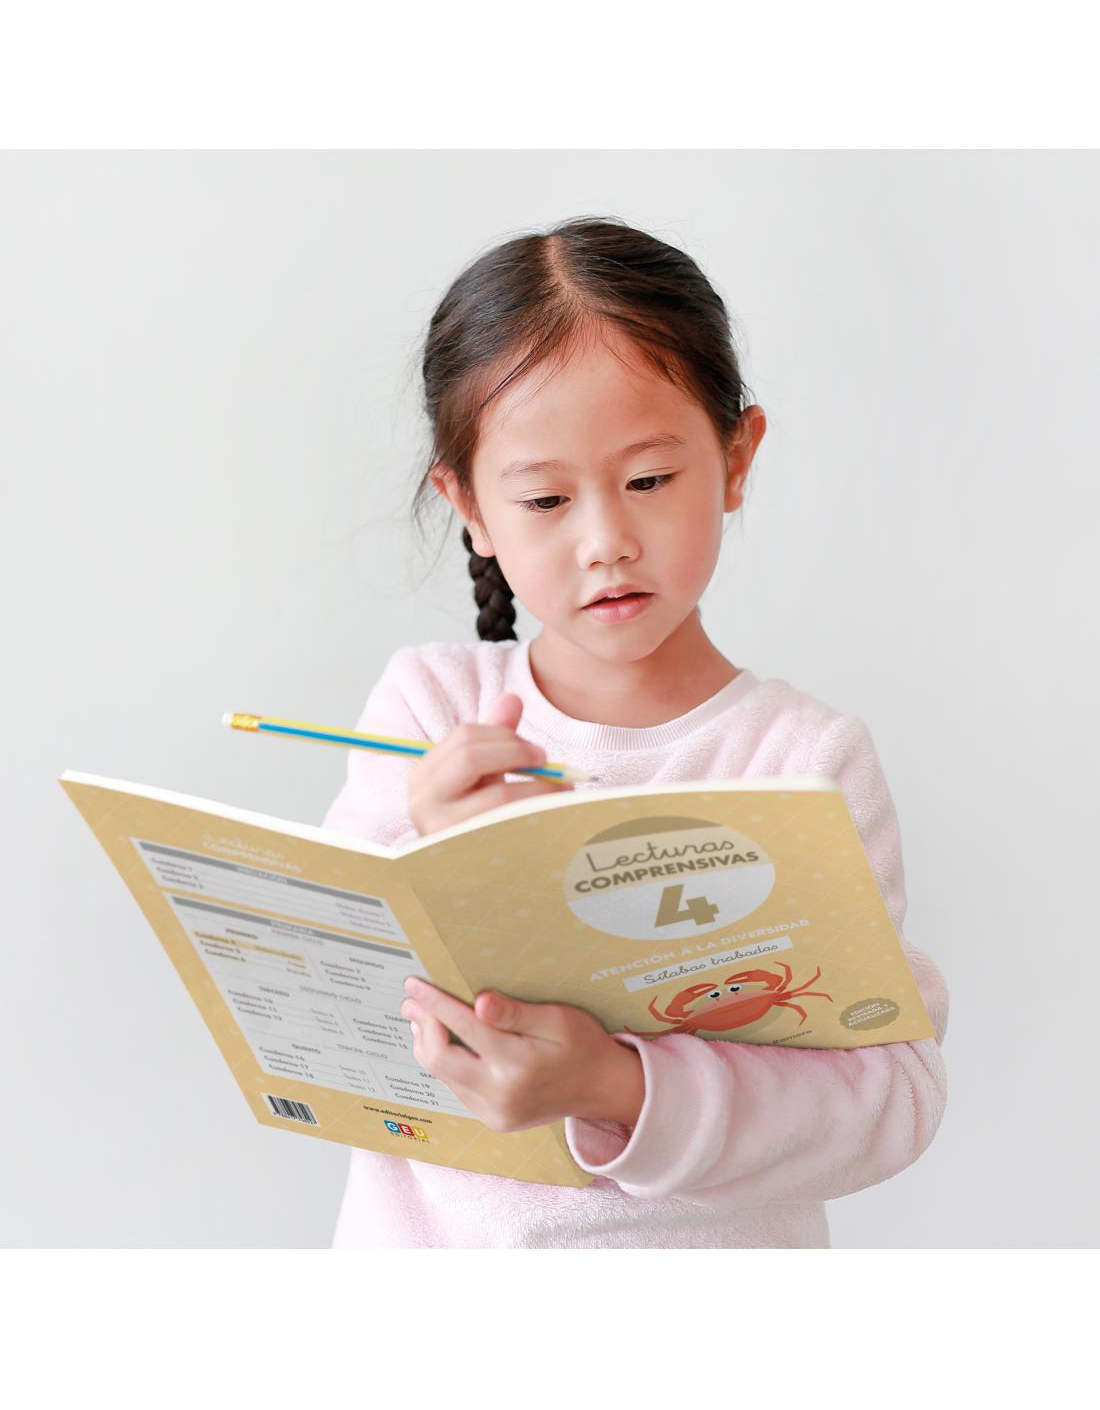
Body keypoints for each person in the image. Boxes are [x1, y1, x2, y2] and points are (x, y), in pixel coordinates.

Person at [322, 215, 949, 1249]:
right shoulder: (429, 715)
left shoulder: (803, 762)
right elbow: (328, 1031)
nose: (606, 542)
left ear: (736, 457)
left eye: (649, 481)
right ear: (468, 504)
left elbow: (888, 1100)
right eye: (544, 499)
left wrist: (617, 1085)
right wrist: (426, 862)